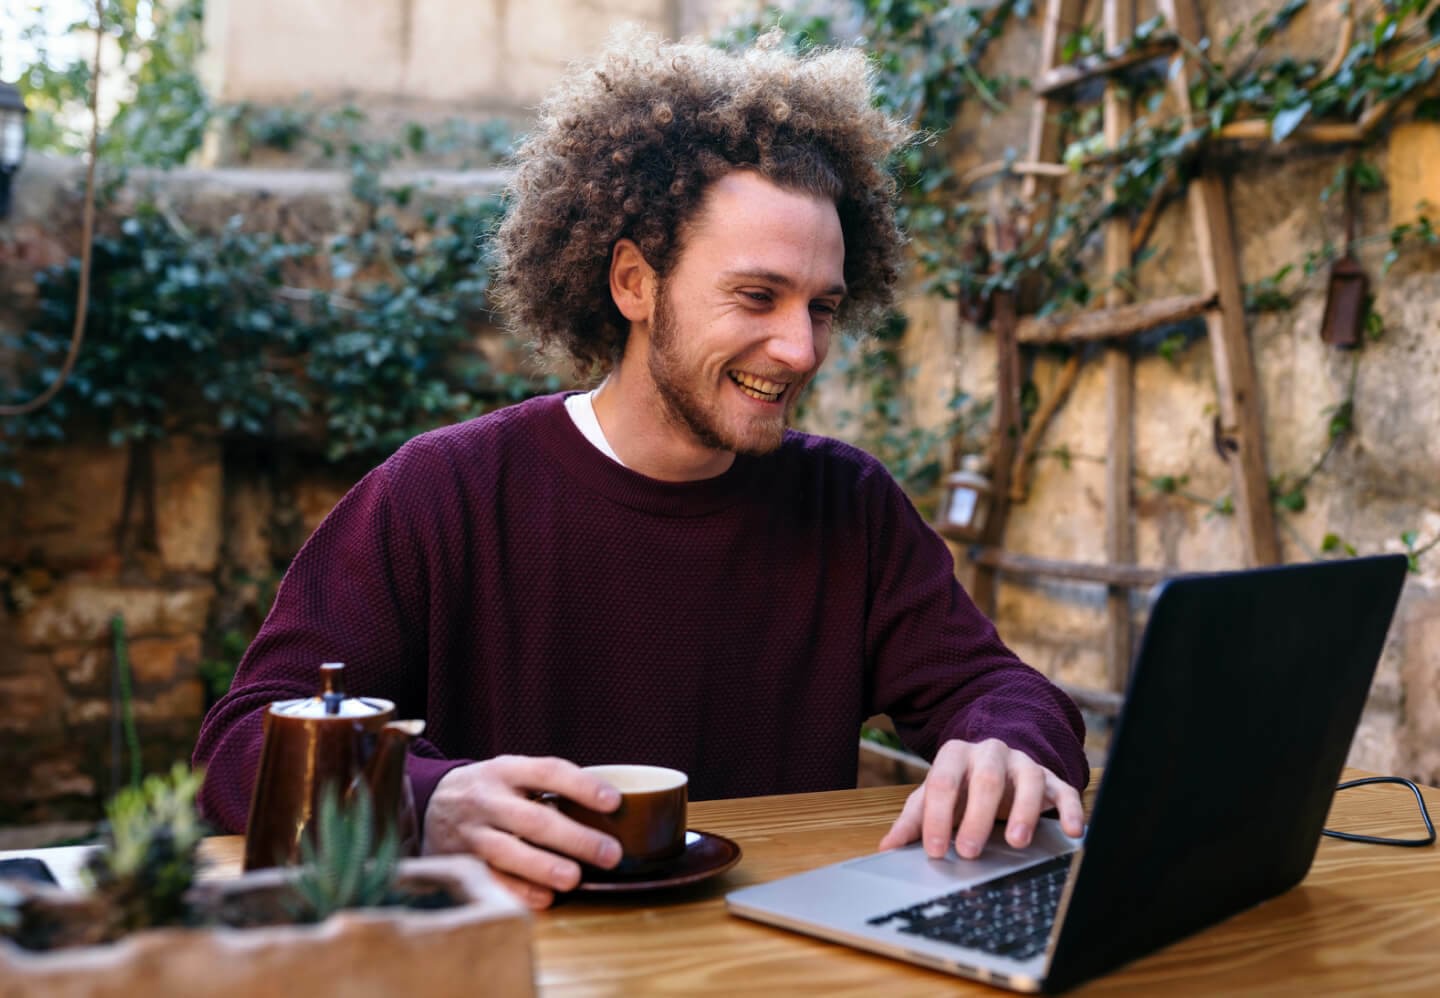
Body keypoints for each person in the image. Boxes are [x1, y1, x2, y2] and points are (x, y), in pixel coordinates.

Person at [193, 30, 1088, 910]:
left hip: (771, 963)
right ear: (634, 283)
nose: (801, 348)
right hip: (515, 959)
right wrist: (426, 802)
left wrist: (1005, 746)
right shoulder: (443, 494)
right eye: (757, 296)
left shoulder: (848, 506)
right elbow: (240, 744)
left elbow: (1000, 691)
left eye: (822, 308)